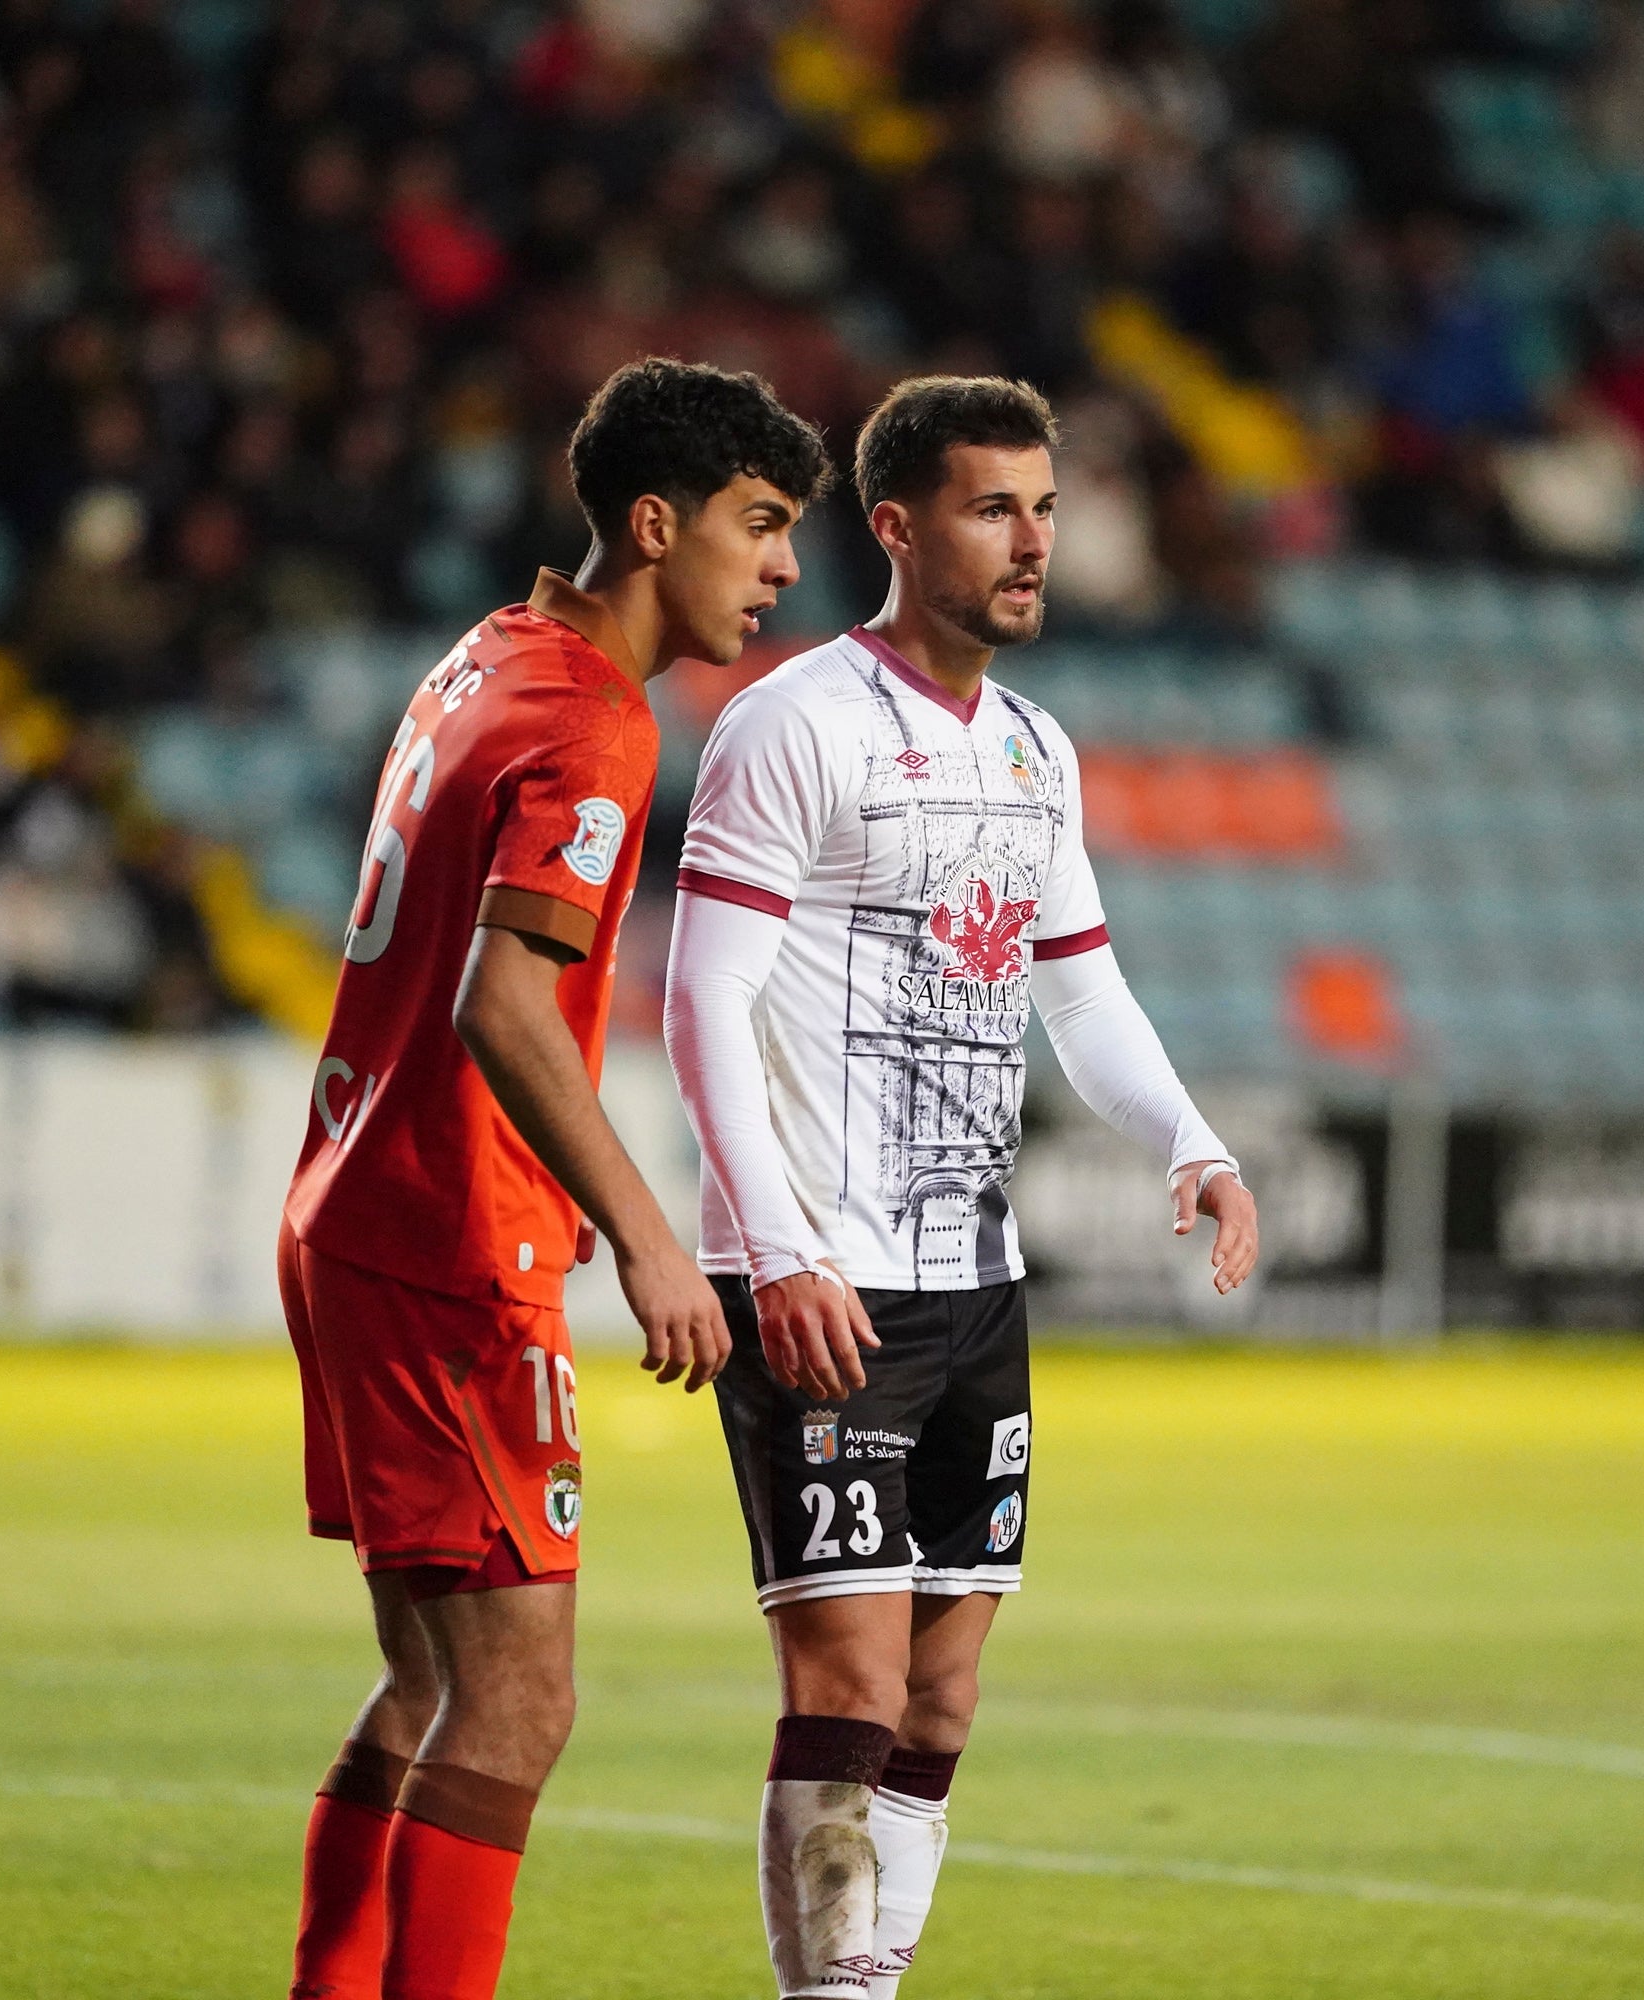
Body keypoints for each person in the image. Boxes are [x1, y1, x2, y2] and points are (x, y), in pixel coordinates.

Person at [662, 375, 1262, 2000]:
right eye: (997, 508)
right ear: (899, 526)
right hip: (822, 1280)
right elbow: (702, 995)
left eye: (1048, 508)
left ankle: (867, 1983)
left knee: (939, 1705)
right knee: (845, 1683)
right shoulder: (793, 724)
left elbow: (1082, 994)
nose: (1033, 541)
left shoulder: (1034, 751)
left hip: (973, 1283)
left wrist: (1191, 1142)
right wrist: (772, 1247)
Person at [276, 357, 829, 2000]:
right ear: (656, 527)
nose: (783, 567)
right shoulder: (595, 719)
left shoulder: (485, 655)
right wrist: (648, 1237)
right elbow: (501, 1001)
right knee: (519, 1704)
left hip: (355, 1203)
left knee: (430, 1684)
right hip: (450, 1242)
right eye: (760, 524)